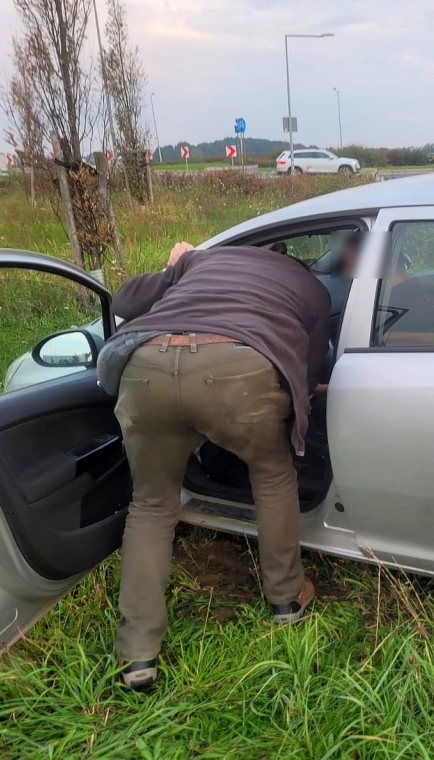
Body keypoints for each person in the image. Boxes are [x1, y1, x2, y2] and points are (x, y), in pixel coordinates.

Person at [97, 240, 331, 690]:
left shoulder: (203, 258)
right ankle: (286, 599)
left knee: (151, 505)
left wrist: (172, 267)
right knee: (272, 474)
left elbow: (124, 300)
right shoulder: (311, 288)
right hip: (237, 367)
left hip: (145, 364)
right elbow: (310, 368)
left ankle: (137, 653)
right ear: (289, 260)